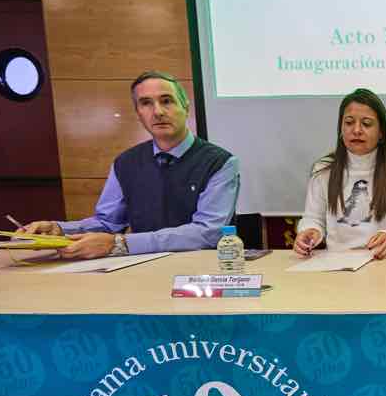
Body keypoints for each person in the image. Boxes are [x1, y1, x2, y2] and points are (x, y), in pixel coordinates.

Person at [20, 71, 239, 258]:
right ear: (138, 114)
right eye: (146, 103)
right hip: (138, 269)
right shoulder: (125, 162)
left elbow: (207, 232)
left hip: (199, 273)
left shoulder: (220, 162)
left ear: (186, 106)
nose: (158, 112)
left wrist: (122, 244)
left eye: (167, 100)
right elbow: (108, 223)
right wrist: (59, 229)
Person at [292, 89, 386, 259]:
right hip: (335, 266)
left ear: (381, 133)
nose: (356, 130)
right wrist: (310, 231)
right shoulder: (323, 169)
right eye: (349, 122)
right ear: (340, 129)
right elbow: (313, 218)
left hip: (384, 264)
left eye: (367, 124)